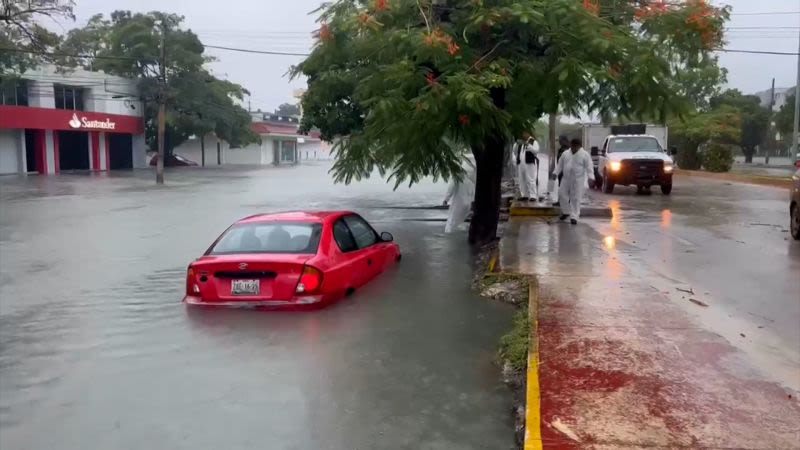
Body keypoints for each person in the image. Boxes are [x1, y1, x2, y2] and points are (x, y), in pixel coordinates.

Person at [555, 138, 595, 225]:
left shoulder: (584, 155)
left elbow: (589, 167)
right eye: (572, 146)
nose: (573, 148)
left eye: (575, 147)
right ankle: (566, 212)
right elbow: (560, 165)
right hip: (566, 179)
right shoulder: (565, 154)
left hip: (578, 180)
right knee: (562, 194)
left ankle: (574, 216)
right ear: (571, 145)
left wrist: (590, 177)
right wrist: (555, 173)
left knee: (575, 198)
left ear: (579, 146)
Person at [444, 155, 476, 233]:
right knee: (459, 221)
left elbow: (450, 189)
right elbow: (473, 193)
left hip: (458, 204)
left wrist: (445, 200)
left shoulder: (456, 178)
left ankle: (449, 236)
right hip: (467, 205)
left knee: (451, 222)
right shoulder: (470, 182)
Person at [515, 133, 540, 201]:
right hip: (521, 163)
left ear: (528, 133)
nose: (523, 135)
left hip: (529, 163)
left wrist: (528, 145)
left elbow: (536, 150)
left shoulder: (533, 141)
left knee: (530, 179)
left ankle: (533, 195)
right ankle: (524, 195)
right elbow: (518, 152)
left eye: (525, 133)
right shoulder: (522, 142)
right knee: (522, 179)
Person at [550, 136, 570, 206]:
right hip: (561, 171)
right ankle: (560, 201)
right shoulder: (561, 149)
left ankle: (567, 201)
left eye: (560, 140)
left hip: (566, 171)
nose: (559, 142)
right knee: (560, 187)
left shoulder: (568, 150)